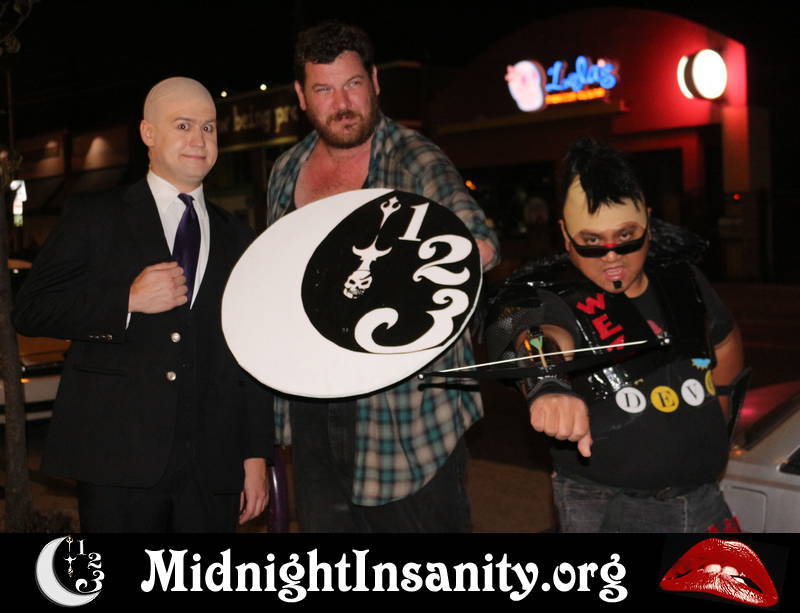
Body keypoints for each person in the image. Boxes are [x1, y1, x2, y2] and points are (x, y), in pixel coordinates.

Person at [266, 22, 499, 532]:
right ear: (302, 97)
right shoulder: (286, 171)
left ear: (374, 81)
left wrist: (449, 257)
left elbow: (478, 242)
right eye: (324, 90)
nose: (342, 103)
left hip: (405, 413)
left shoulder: (416, 160)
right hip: (312, 402)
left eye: (352, 84)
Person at [13, 77, 273, 532]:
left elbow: (246, 354)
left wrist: (255, 455)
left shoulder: (237, 235)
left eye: (209, 128)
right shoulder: (96, 214)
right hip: (118, 460)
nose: (199, 140)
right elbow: (32, 308)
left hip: (212, 466)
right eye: (183, 125)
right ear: (148, 133)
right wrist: (126, 301)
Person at [485, 137, 744, 532]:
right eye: (592, 241)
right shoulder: (554, 294)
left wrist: (720, 404)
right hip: (609, 507)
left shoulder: (681, 278)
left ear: (648, 225)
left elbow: (724, 339)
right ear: (566, 236)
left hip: (704, 498)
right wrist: (547, 383)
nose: (611, 256)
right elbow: (526, 330)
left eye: (625, 237)